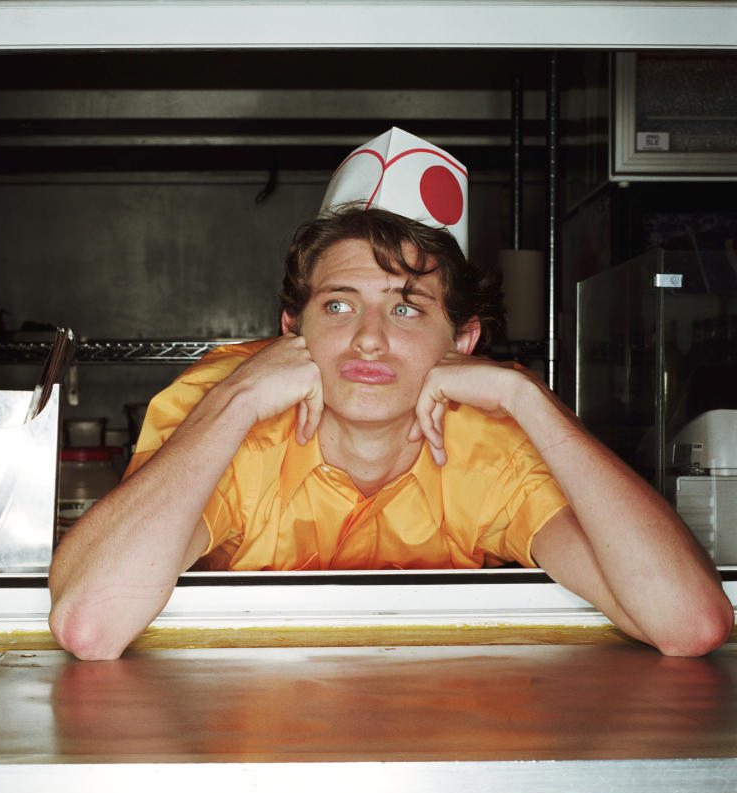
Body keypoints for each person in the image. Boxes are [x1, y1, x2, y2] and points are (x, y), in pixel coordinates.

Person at [48, 134, 733, 661]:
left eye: (406, 310)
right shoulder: (230, 411)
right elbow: (89, 622)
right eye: (339, 304)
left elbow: (690, 622)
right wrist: (235, 401)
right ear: (292, 330)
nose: (369, 340)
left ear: (461, 341)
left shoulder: (488, 441)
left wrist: (528, 398)